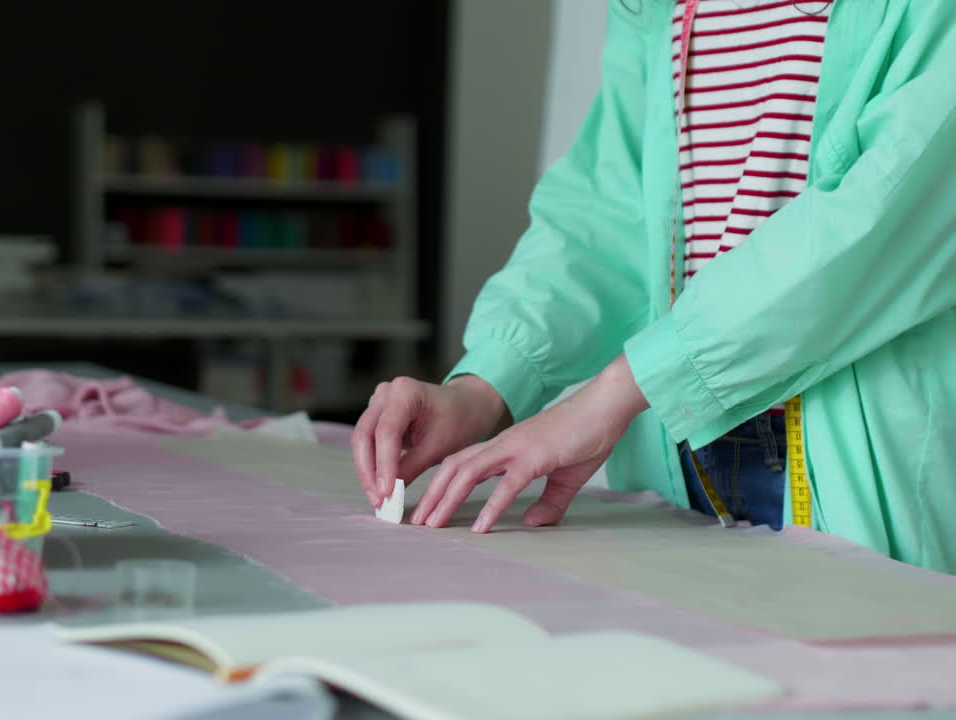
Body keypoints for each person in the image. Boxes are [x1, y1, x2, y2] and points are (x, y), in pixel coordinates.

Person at [353, 0, 956, 573]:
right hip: (674, 443)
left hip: (868, 461)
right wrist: (484, 388)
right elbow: (606, 214)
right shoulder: (657, 9)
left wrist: (621, 390)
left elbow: (875, 222)